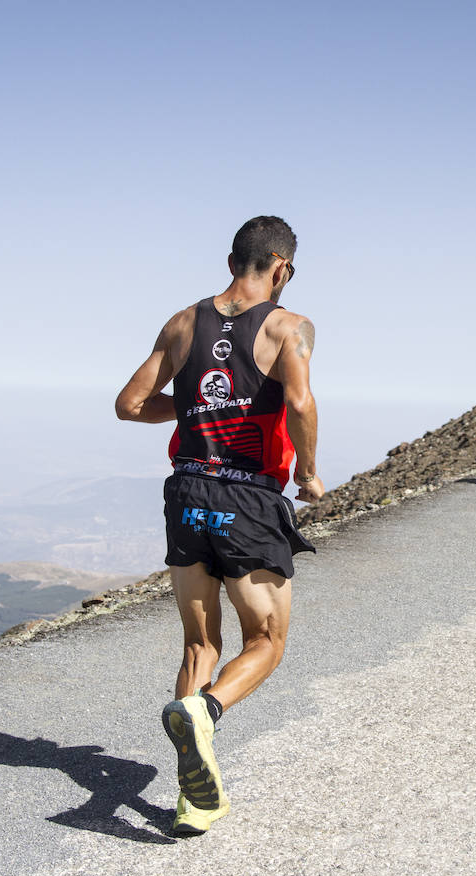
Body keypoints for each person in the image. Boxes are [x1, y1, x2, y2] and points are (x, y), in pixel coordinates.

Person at [115, 215, 323, 835]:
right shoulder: (290, 326)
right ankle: (204, 712)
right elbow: (299, 401)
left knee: (199, 645)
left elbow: (129, 405)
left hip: (185, 492)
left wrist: (200, 403)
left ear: (233, 260)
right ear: (281, 266)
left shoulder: (182, 323)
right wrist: (309, 474)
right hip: (249, 498)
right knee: (266, 642)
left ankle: (194, 798)